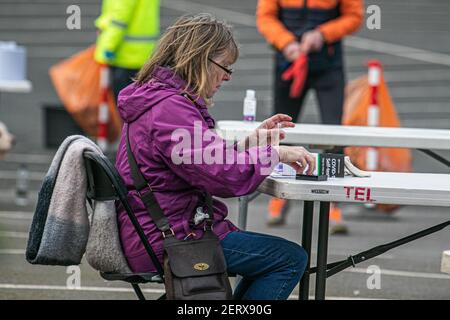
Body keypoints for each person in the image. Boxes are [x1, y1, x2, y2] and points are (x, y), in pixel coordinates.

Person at [114, 13, 317, 300]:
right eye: (225, 67)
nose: (226, 77)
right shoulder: (171, 109)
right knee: (287, 259)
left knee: (271, 258)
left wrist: (250, 144)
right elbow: (222, 177)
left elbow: (201, 162)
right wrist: (275, 154)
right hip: (172, 236)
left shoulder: (158, 99)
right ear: (201, 59)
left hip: (158, 228)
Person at [256, 0, 364, 226]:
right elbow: (265, 17)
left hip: (328, 66)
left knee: (333, 132)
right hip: (289, 62)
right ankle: (279, 196)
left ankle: (332, 203)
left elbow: (354, 16)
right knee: (280, 129)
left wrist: (323, 34)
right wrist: (286, 44)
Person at [94, 0, 160, 101]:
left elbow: (119, 20)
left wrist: (107, 48)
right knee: (138, 103)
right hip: (144, 53)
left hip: (124, 55)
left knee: (124, 103)